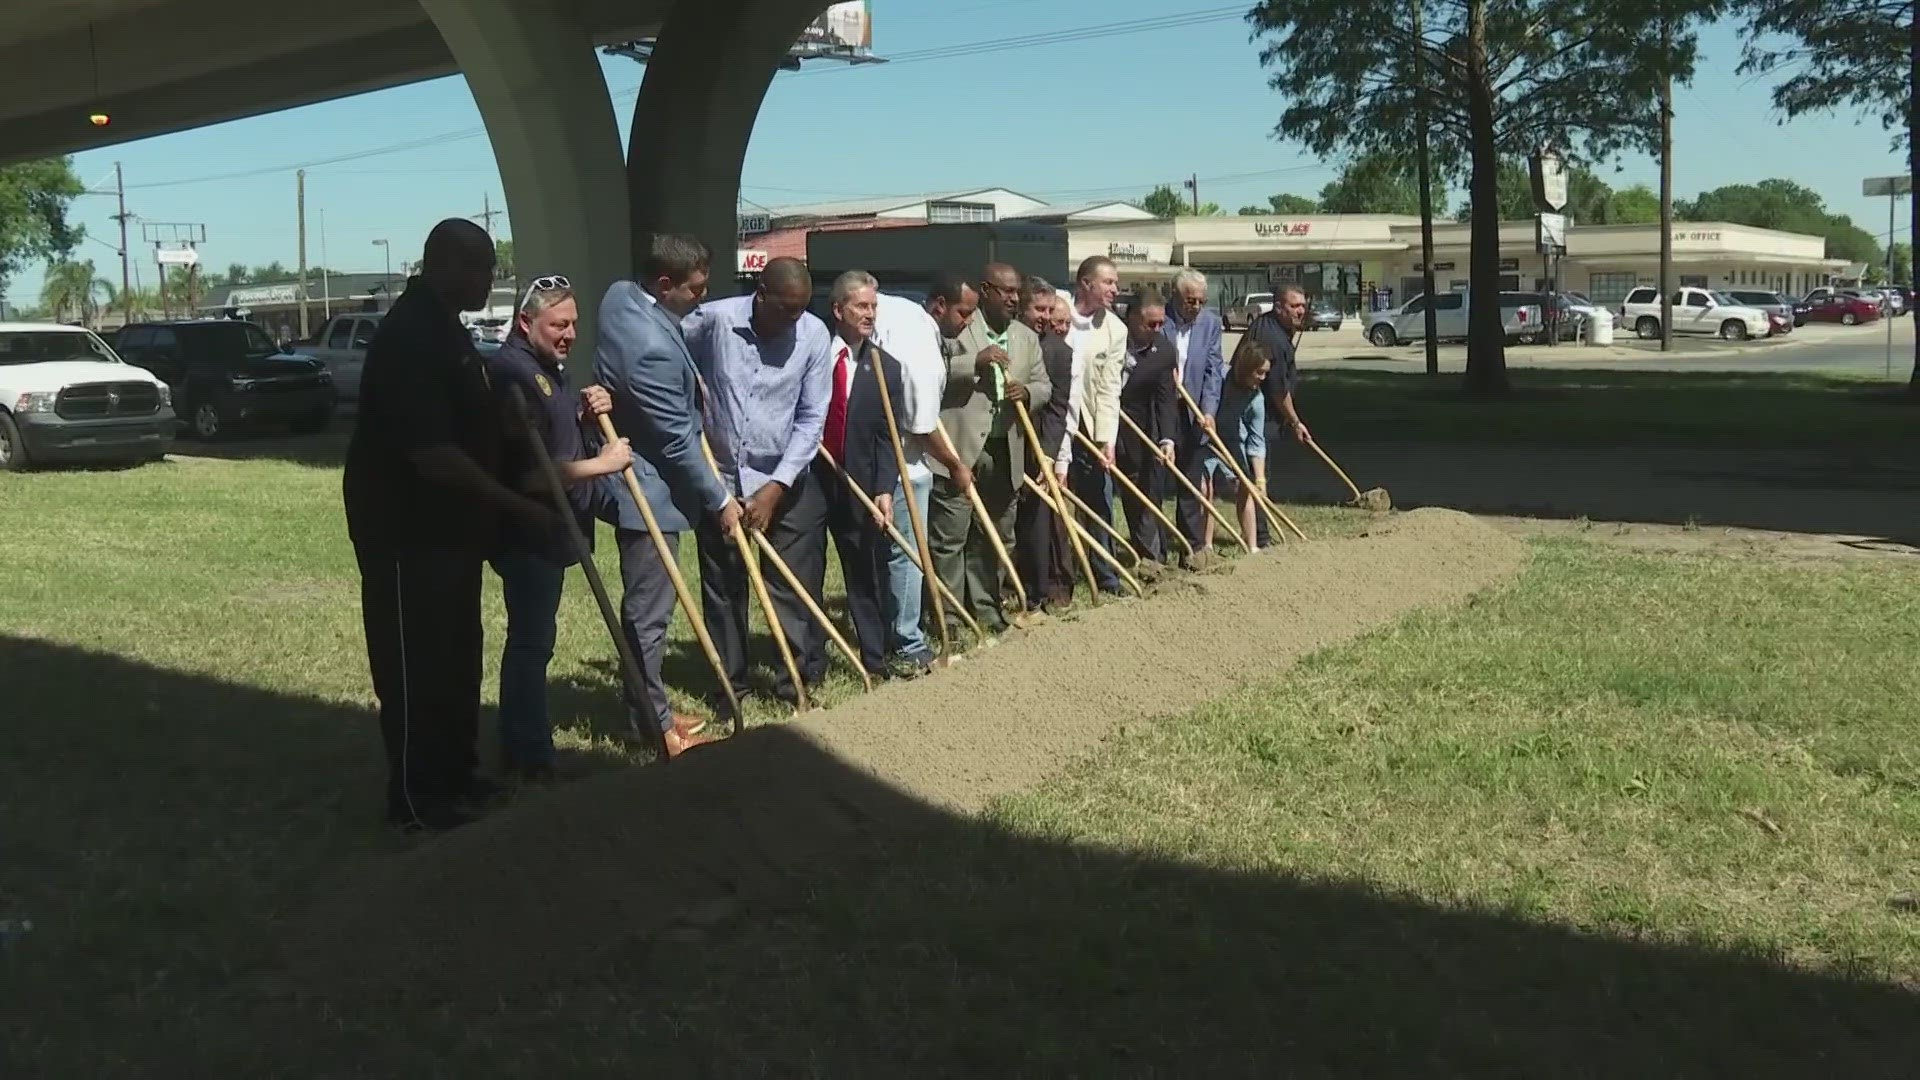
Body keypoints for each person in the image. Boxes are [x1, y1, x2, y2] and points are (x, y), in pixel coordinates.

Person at [343, 218, 554, 833]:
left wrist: (506, 428)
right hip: (409, 529)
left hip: (454, 535)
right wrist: (514, 505)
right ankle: (416, 797)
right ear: (444, 264)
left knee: (459, 655)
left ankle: (458, 773)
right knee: (416, 663)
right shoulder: (410, 336)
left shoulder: (449, 333)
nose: (489, 279)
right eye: (481, 266)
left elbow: (464, 422)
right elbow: (432, 454)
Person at [593, 234, 739, 755]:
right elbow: (676, 440)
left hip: (651, 480)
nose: (703, 295)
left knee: (651, 613)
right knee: (649, 617)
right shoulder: (652, 350)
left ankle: (651, 707)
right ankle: (652, 727)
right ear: (663, 284)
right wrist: (721, 501)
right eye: (695, 289)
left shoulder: (619, 294)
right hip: (649, 494)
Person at [485, 275, 634, 780]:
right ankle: (528, 753)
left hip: (557, 529)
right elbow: (528, 474)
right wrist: (605, 463)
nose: (569, 333)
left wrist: (588, 421)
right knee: (530, 644)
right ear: (526, 322)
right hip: (528, 532)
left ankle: (527, 745)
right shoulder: (511, 374)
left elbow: (559, 440)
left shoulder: (550, 369)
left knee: (536, 639)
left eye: (573, 324)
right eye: (558, 324)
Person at [683, 256, 833, 708]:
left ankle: (796, 679)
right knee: (725, 586)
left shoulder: (813, 334)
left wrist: (775, 488)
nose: (794, 319)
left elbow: (811, 420)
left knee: (793, 587)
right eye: (785, 308)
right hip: (721, 477)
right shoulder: (713, 321)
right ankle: (731, 686)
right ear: (760, 294)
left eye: (801, 309)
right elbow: (666, 353)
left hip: (786, 481)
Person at [926, 263, 1051, 637]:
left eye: (1017, 292)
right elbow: (936, 371)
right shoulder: (960, 327)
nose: (1014, 299)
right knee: (951, 537)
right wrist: (973, 363)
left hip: (1005, 448)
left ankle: (987, 606)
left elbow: (1044, 384)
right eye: (1006, 291)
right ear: (986, 290)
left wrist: (1028, 394)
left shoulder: (1026, 337)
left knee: (997, 534)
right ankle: (949, 617)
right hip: (960, 448)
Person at [817, 271, 908, 679]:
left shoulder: (885, 367)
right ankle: (809, 663)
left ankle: (874, 658)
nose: (870, 314)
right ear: (838, 310)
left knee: (864, 572)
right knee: (805, 571)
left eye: (874, 307)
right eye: (861, 306)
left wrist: (884, 489)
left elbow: (889, 437)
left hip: (859, 485)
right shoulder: (813, 354)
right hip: (811, 482)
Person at [871, 287, 949, 677]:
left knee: (905, 556)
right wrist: (953, 462)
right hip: (904, 464)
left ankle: (900, 633)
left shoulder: (907, 319)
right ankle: (907, 639)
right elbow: (921, 421)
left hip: (908, 461)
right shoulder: (912, 328)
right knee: (906, 556)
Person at [1058, 256, 1129, 594]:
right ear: (1086, 283)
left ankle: (1106, 573)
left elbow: (1109, 387)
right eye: (1109, 282)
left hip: (1088, 423)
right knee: (1054, 500)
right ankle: (1057, 572)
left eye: (1116, 283)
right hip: (1054, 419)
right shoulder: (1057, 311)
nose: (1115, 289)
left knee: (1099, 498)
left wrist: (1106, 440)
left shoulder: (1115, 329)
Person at [1013, 276, 1076, 610]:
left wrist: (1048, 456)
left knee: (1038, 520)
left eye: (1050, 309)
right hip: (1001, 440)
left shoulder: (1059, 351)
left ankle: (1040, 590)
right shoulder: (1008, 338)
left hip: (1037, 444)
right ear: (1023, 307)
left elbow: (1058, 409)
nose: (1047, 316)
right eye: (1039, 308)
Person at [1235, 285, 1312, 548]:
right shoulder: (1273, 338)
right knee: (1258, 474)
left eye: (1302, 305)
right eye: (1294, 306)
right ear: (1278, 307)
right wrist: (1295, 421)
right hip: (1256, 413)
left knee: (1259, 472)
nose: (1300, 310)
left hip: (1263, 412)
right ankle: (1262, 537)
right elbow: (1279, 391)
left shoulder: (1272, 327)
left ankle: (1260, 531)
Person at [1161, 268, 1224, 566]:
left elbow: (1214, 370)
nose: (1196, 307)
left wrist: (1209, 411)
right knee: (1157, 477)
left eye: (1201, 301)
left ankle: (1191, 545)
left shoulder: (1210, 323)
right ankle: (1155, 547)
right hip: (1161, 407)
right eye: (1190, 301)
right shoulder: (1160, 319)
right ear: (1175, 296)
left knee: (1190, 479)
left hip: (1194, 410)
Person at [1115, 288, 1180, 564]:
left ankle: (1153, 558)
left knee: (1146, 494)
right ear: (1131, 317)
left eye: (1160, 323)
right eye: (1149, 323)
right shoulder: (1110, 337)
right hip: (1100, 426)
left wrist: (1167, 439)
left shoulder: (1163, 351)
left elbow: (1166, 399)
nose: (1156, 329)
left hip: (1138, 432)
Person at [1212, 338, 1272, 551]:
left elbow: (1257, 440)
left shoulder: (1256, 399)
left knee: (1245, 489)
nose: (1263, 378)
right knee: (1207, 489)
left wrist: (1260, 480)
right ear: (1246, 367)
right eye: (1259, 372)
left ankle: (1252, 545)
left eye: (1265, 372)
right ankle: (1206, 547)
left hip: (1235, 443)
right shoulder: (1219, 378)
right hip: (1209, 439)